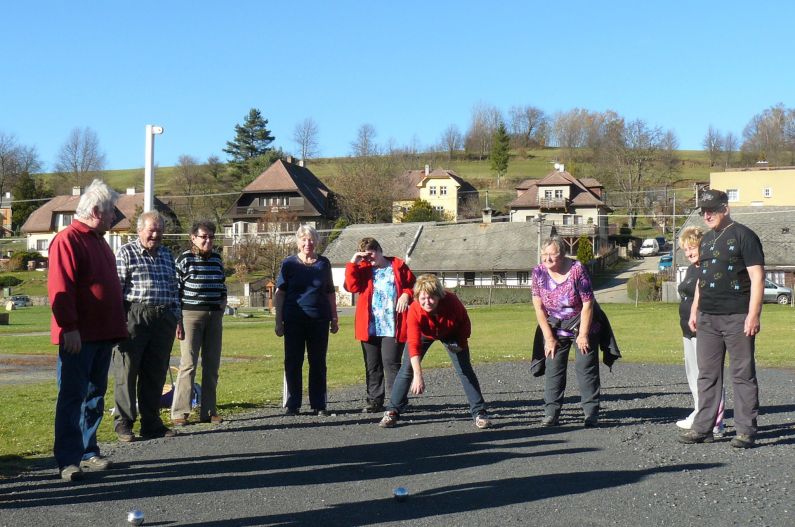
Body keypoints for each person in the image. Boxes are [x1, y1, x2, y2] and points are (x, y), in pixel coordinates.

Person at [48, 179, 128, 482]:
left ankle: (88, 450)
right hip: (78, 336)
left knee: (95, 396)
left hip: (102, 334)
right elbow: (61, 287)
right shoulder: (67, 239)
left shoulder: (98, 240)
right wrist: (69, 327)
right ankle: (68, 460)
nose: (113, 217)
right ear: (96, 211)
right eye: (110, 212)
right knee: (72, 396)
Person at [679, 189, 764, 448]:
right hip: (707, 317)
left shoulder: (744, 236)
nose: (707, 215)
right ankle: (703, 427)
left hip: (737, 316)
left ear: (725, 208)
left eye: (712, 210)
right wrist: (695, 310)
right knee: (707, 374)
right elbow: (701, 281)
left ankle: (745, 430)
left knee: (742, 374)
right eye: (704, 211)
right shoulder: (705, 240)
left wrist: (754, 314)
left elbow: (757, 277)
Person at [378, 273, 492, 429]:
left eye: (431, 298)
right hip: (425, 334)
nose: (427, 302)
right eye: (423, 298)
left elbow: (464, 324)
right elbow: (413, 343)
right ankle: (392, 411)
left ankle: (479, 412)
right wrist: (418, 375)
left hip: (451, 333)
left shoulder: (452, 302)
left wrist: (460, 343)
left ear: (439, 296)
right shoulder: (415, 310)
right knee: (407, 369)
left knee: (465, 370)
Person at [112, 210, 180, 441]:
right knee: (127, 371)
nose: (156, 234)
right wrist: (119, 321)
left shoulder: (167, 255)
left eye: (160, 230)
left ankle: (151, 423)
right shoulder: (126, 252)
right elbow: (116, 290)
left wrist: (175, 316)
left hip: (163, 318)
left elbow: (174, 289)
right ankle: (124, 422)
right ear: (140, 230)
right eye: (152, 230)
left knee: (156, 373)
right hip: (134, 316)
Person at [531, 237, 600, 427]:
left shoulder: (577, 269)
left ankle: (591, 413)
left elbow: (588, 304)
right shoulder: (538, 273)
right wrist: (548, 337)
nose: (547, 259)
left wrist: (583, 334)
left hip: (582, 322)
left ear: (562, 254)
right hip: (555, 325)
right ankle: (551, 413)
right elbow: (538, 307)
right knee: (554, 368)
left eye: (552, 255)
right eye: (544, 255)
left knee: (586, 368)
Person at [344, 237, 416, 413]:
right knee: (372, 364)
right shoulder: (363, 269)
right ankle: (374, 400)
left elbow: (414, 286)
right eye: (366, 256)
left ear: (379, 249)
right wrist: (353, 262)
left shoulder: (397, 266)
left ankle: (397, 401)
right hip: (370, 325)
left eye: (372, 253)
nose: (370, 258)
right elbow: (351, 287)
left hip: (392, 324)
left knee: (391, 363)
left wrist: (406, 294)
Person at [274, 225, 338, 416]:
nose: (307, 243)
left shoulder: (324, 264)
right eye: (303, 239)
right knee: (293, 361)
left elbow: (330, 293)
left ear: (316, 242)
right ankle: (293, 403)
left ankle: (319, 404)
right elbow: (280, 293)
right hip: (294, 319)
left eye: (311, 239)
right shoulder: (289, 264)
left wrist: (334, 318)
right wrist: (278, 320)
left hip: (319, 320)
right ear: (298, 242)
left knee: (318, 361)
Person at [171, 220, 227, 426]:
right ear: (193, 238)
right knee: (188, 364)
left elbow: (222, 285)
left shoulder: (217, 259)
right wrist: (177, 320)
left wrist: (222, 302)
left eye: (211, 236)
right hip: (190, 316)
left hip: (214, 316)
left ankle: (209, 410)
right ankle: (180, 412)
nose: (208, 240)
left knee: (212, 365)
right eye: (204, 237)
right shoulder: (184, 259)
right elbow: (175, 291)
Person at [675, 226, 725, 435]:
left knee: (709, 375)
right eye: (686, 249)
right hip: (687, 330)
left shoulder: (709, 267)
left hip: (705, 329)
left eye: (692, 247)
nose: (689, 253)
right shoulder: (690, 269)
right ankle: (700, 412)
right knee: (693, 374)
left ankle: (716, 421)